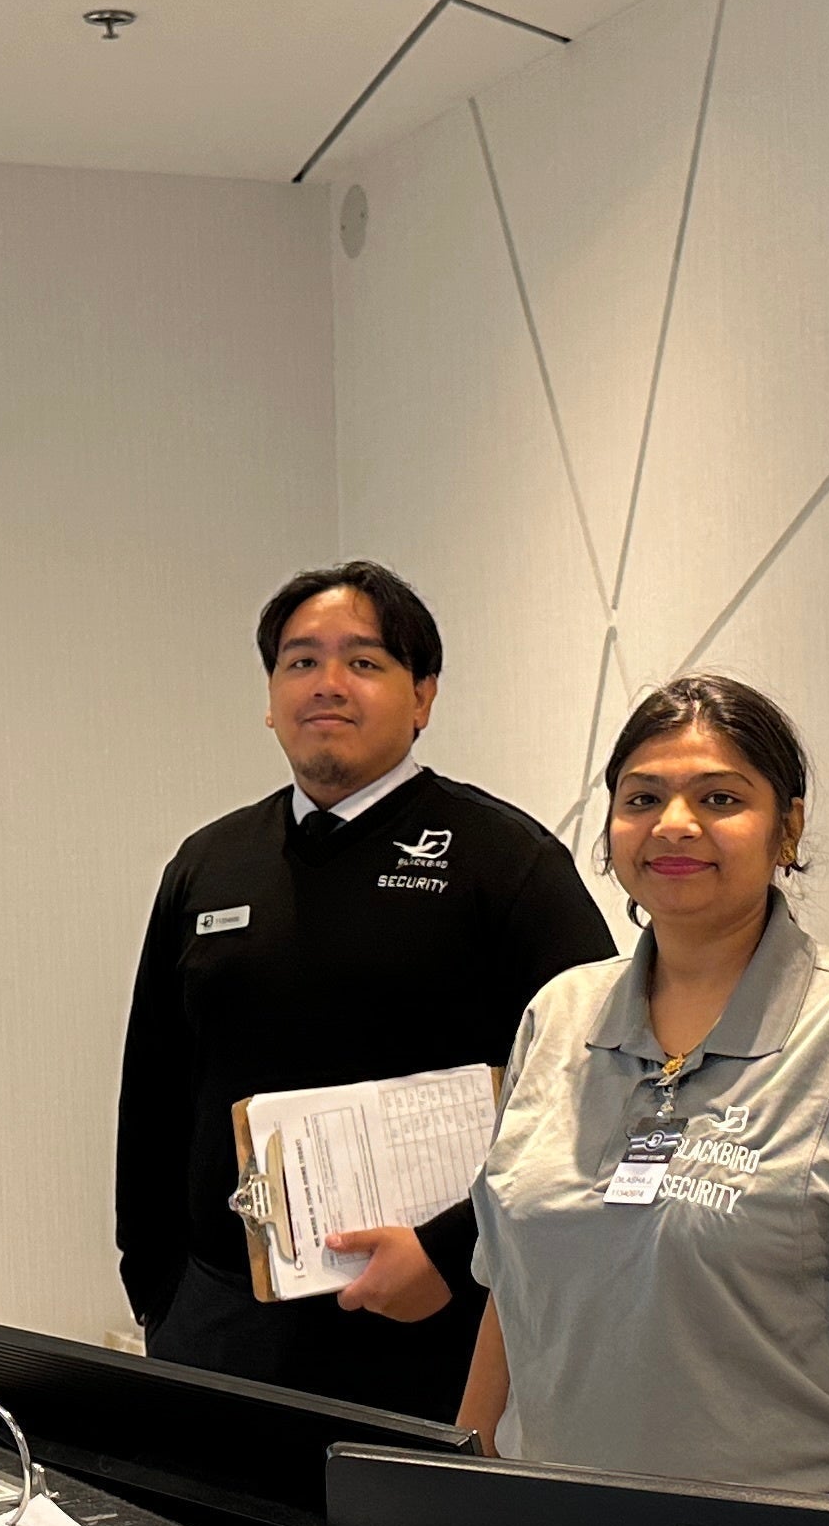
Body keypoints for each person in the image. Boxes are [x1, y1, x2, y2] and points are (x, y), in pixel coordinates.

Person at [460, 675, 829, 1502]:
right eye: (642, 797)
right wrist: (458, 1500)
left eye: (720, 797)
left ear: (786, 829)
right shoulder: (558, 1015)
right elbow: (514, 1300)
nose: (674, 824)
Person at [115, 562, 615, 1421]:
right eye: (300, 662)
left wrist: (456, 1257)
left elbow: (595, 1092)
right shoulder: (209, 863)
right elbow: (155, 1085)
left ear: (423, 696)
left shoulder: (505, 862)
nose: (327, 686)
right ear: (271, 699)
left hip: (430, 1323)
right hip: (220, 1324)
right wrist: (157, 1286)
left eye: (365, 662)